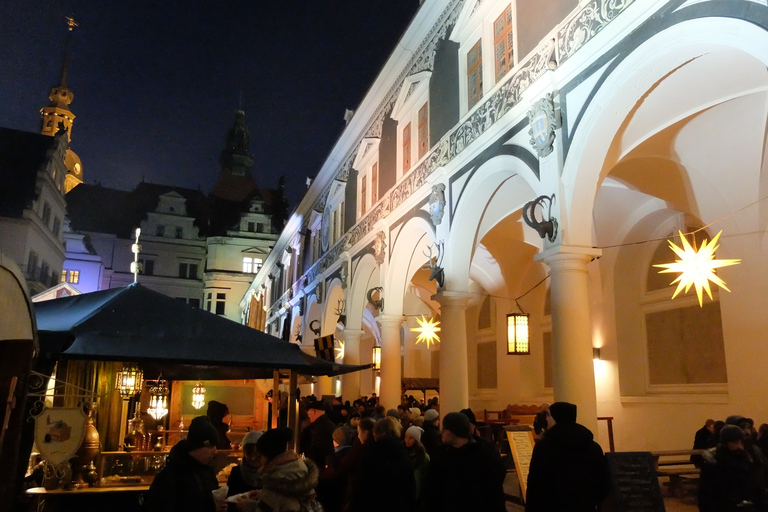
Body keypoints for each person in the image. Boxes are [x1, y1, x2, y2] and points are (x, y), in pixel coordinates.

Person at [525, 402, 610, 512]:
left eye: (549, 415)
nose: (546, 419)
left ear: (557, 417)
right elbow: (602, 483)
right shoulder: (593, 447)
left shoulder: (545, 447)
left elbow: (536, 485)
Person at [422, 412, 506, 512]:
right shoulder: (441, 454)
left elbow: (494, 496)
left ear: (455, 431)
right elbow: (432, 489)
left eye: (445, 429)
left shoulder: (484, 457)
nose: (441, 432)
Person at [143, 415, 223, 512]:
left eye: (215, 446)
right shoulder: (170, 476)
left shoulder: (208, 472)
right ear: (196, 447)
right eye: (210, 446)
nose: (214, 451)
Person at [244, 427, 323, 512]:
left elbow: (275, 502)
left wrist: (246, 506)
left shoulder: (274, 479)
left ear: (267, 456)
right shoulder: (300, 467)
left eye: (260, 456)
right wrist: (262, 496)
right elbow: (291, 499)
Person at [348, 418, 416, 512]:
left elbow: (360, 486)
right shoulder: (403, 454)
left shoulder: (370, 454)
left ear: (376, 433)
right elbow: (410, 488)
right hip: (398, 505)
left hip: (374, 505)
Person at [698, 424, 768, 512]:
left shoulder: (748, 461)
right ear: (725, 444)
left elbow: (757, 488)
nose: (739, 446)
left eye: (741, 442)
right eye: (735, 443)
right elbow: (706, 498)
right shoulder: (713, 465)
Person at [300, 400, 336, 471]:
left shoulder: (318, 429)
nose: (308, 415)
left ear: (314, 411)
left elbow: (317, 450)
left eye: (308, 412)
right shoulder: (329, 425)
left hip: (319, 466)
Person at [227, 430, 264, 498]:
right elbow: (229, 500)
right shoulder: (236, 472)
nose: (253, 458)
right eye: (249, 454)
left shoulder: (271, 474)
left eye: (257, 455)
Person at [404, 426, 430, 504]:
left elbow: (425, 476)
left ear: (416, 440)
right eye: (406, 437)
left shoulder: (423, 456)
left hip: (417, 491)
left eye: (411, 438)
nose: (407, 440)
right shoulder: (402, 452)